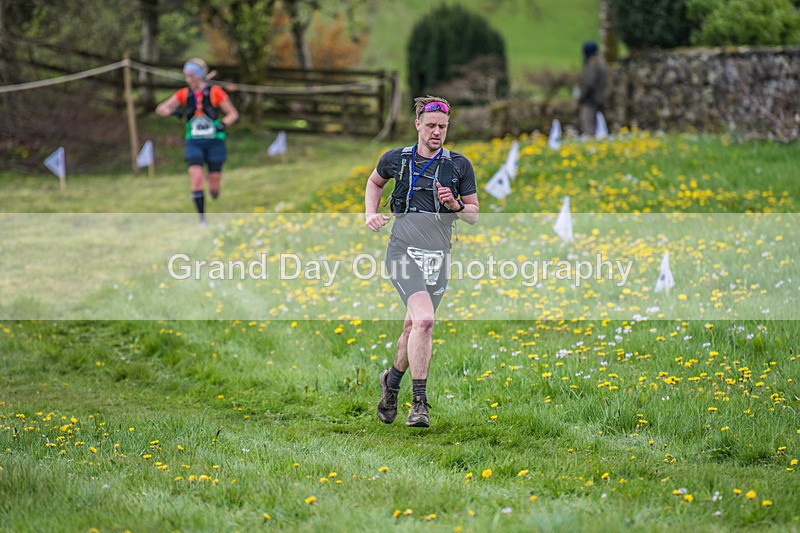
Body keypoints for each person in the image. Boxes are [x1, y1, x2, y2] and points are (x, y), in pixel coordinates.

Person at [364, 96, 479, 428]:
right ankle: (419, 403)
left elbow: (473, 215)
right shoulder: (396, 159)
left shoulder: (459, 165)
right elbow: (374, 181)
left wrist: (456, 205)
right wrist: (371, 213)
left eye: (443, 127)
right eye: (431, 126)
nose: (437, 132)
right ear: (417, 125)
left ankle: (391, 386)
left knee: (412, 327)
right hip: (402, 253)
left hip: (438, 258)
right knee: (425, 321)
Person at [156, 58, 239, 226]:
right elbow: (161, 109)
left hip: (215, 141)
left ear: (201, 75)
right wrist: (176, 112)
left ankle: (214, 186)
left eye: (192, 76)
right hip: (194, 142)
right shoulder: (183, 94)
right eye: (187, 76)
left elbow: (233, 114)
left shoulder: (215, 92)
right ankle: (202, 219)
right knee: (196, 178)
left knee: (214, 186)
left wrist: (223, 124)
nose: (189, 79)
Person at [577, 41, 608, 137]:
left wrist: (582, 97)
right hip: (601, 99)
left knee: (589, 129)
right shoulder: (602, 63)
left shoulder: (592, 64)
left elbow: (589, 83)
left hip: (590, 100)